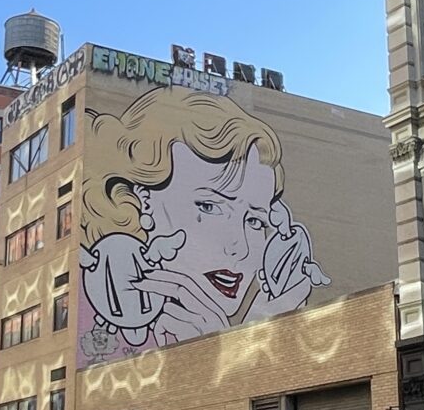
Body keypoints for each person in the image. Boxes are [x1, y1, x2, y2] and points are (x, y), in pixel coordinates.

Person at [79, 87, 330, 363]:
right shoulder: (98, 318)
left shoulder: (251, 318)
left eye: (255, 221)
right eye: (209, 207)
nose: (240, 247)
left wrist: (251, 346)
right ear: (144, 202)